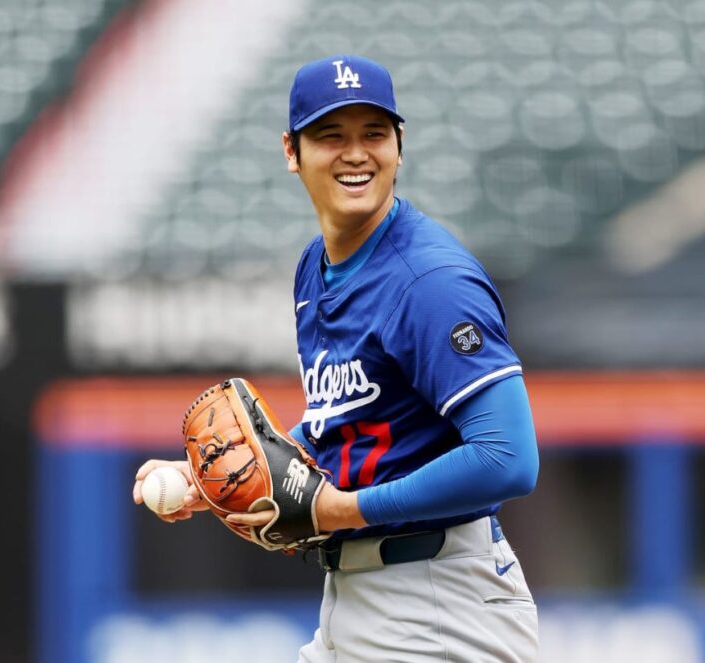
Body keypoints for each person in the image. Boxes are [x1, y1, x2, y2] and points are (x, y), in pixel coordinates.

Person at [133, 54, 540, 662]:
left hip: (438, 602)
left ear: (399, 147)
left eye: (374, 134)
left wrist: (343, 509)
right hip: (362, 597)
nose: (356, 154)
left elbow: (508, 459)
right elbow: (348, 424)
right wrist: (218, 477)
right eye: (331, 136)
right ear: (291, 151)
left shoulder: (429, 281)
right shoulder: (314, 269)